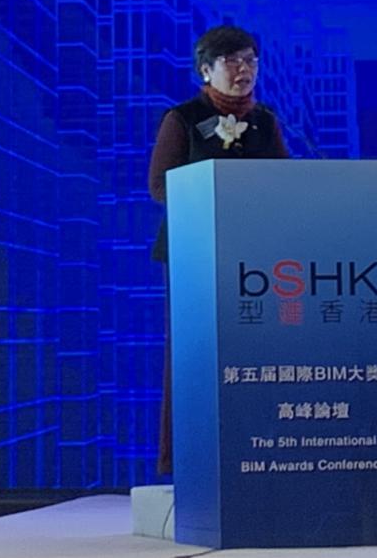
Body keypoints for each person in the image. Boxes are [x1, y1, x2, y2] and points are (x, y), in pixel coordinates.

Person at [147, 25, 289, 474]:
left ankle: (255, 454)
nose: (244, 69)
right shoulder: (183, 119)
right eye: (232, 61)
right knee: (196, 356)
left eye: (251, 61)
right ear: (206, 70)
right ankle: (187, 460)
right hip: (196, 254)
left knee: (252, 353)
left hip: (254, 256)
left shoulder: (265, 120)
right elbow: (160, 186)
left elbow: (288, 183)